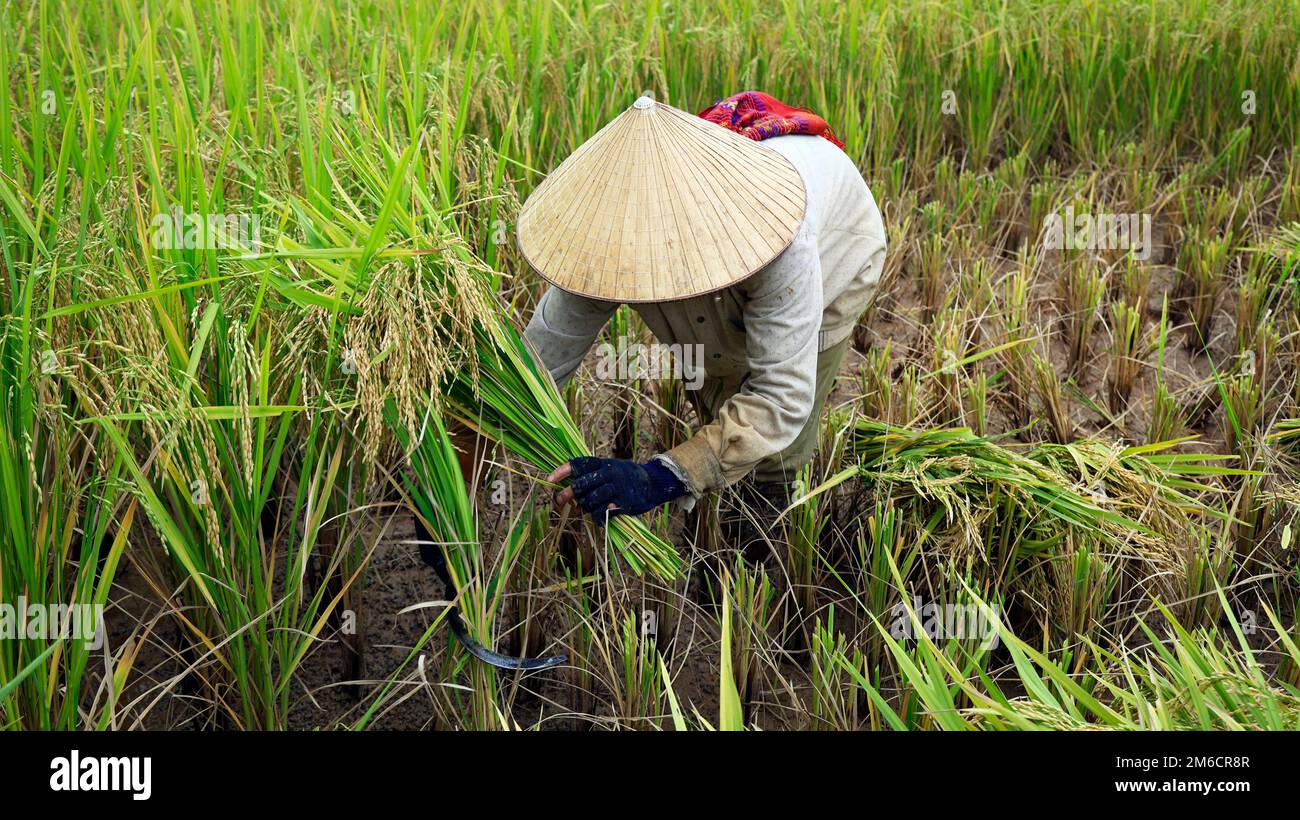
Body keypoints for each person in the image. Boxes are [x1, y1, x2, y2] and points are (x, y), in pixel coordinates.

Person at [519, 91, 886, 549]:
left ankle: (754, 556)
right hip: (757, 263)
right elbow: (535, 365)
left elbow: (778, 399)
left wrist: (658, 478)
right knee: (717, 396)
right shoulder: (610, 241)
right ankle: (721, 499)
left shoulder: (782, 236)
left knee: (772, 455)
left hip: (837, 259)